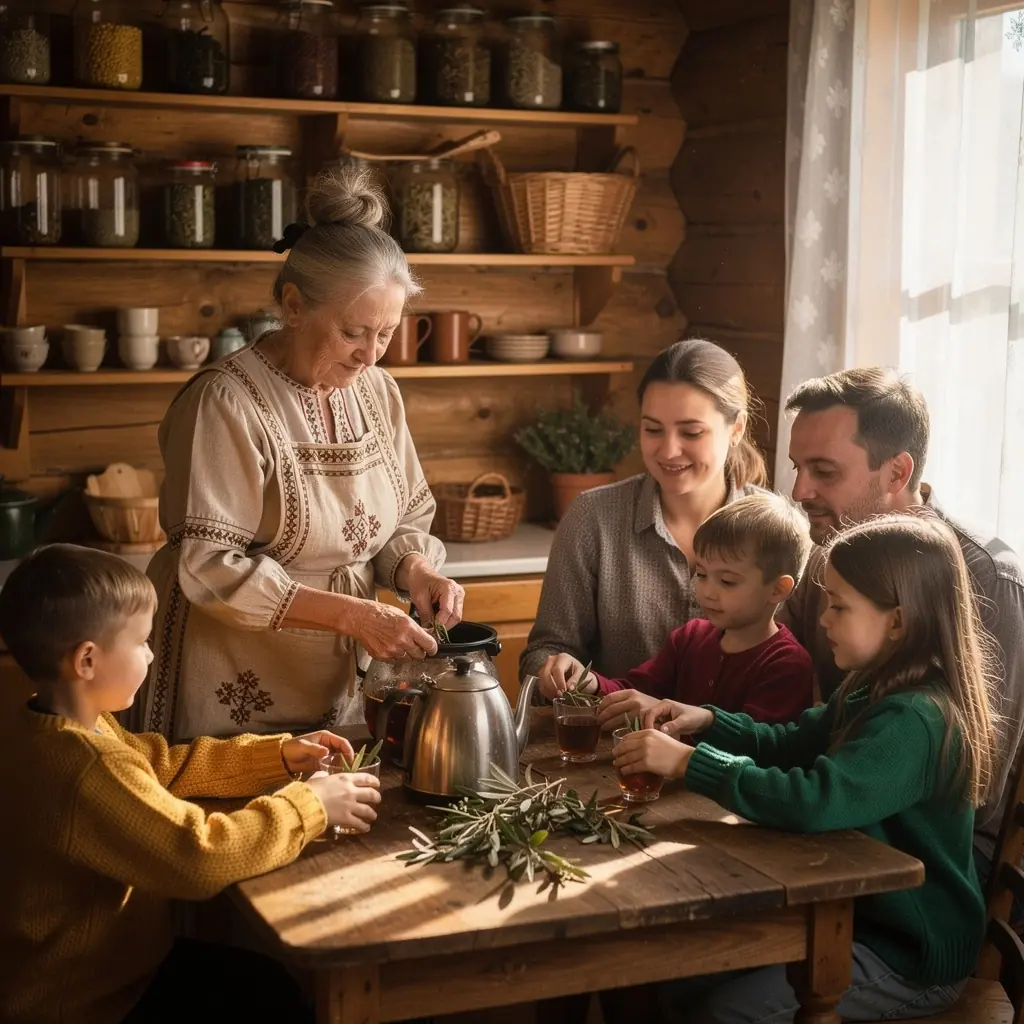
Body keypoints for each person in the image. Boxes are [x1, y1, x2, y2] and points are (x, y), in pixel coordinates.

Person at [615, 515, 997, 1022]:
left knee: (726, 1012)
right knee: (672, 973)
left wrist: (691, 762)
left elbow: (816, 799)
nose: (823, 620)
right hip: (852, 918)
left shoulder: (914, 719)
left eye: (839, 606)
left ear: (899, 622)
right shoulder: (869, 684)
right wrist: (708, 721)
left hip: (907, 953)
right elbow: (794, 741)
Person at [137, 166, 464, 741]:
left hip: (341, 672)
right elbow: (207, 566)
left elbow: (403, 519)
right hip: (233, 672)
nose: (370, 354)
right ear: (293, 305)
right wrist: (354, 616)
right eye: (353, 332)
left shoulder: (378, 393)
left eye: (385, 334)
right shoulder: (226, 400)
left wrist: (417, 571)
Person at [0, 544, 382, 1024]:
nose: (151, 652)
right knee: (282, 997)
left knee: (272, 984)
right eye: (140, 641)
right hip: (87, 1003)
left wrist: (275, 755)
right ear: (88, 661)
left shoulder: (58, 724)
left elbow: (163, 766)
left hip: (109, 975)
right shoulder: (84, 765)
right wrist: (310, 805)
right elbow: (198, 856)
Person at [778, 366, 1024, 885]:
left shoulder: (985, 576)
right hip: (833, 809)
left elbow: (979, 788)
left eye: (824, 470)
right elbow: (787, 689)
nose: (799, 490)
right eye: (797, 467)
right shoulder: (828, 553)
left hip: (940, 862)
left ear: (896, 472)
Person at [520, 339, 769, 693]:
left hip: (737, 750)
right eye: (653, 429)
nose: (668, 450)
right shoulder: (593, 518)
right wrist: (557, 672)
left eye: (691, 432)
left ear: (737, 428)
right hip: (615, 743)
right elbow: (541, 654)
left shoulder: (779, 529)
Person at [537, 493, 814, 729]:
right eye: (702, 575)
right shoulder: (690, 638)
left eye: (727, 581)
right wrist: (589, 682)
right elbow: (636, 691)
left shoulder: (786, 664)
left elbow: (754, 748)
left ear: (778, 589)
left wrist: (658, 714)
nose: (707, 591)